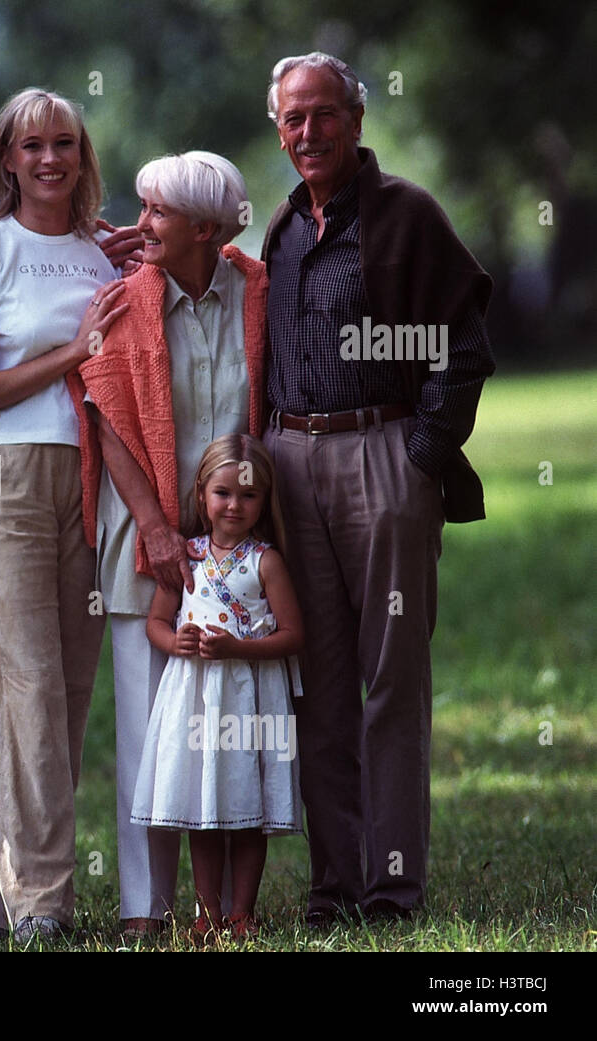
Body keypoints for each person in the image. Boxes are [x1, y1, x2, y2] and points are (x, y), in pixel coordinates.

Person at [261, 52, 494, 926]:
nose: (309, 133)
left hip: (381, 455)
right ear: (277, 130)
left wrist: (418, 455)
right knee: (316, 684)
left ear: (358, 120)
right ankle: (334, 890)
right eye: (293, 120)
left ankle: (392, 889)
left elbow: (462, 351)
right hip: (290, 461)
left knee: (390, 679)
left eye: (324, 115)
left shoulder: (408, 217)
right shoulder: (282, 230)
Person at [68, 151, 270, 937]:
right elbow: (106, 415)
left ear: (204, 228)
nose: (139, 223)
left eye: (154, 212)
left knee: (227, 722)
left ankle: (224, 905)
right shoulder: (127, 302)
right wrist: (155, 525)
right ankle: (143, 906)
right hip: (146, 538)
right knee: (150, 729)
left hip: (237, 548)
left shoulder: (257, 293)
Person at [0, 87, 126, 942]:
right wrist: (73, 353)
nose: (50, 158)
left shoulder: (105, 257)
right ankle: (46, 904)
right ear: (6, 161)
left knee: (72, 692)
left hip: (96, 479)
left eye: (65, 143)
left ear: (81, 157)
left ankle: (5, 896)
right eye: (31, 146)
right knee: (30, 686)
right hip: (9, 474)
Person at [130, 434, 304, 944]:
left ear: (264, 500)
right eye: (223, 493)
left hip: (250, 698)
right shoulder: (186, 557)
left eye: (248, 495)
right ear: (202, 493)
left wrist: (239, 649)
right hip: (197, 697)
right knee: (204, 811)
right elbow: (156, 622)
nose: (234, 505)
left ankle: (242, 912)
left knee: (246, 806)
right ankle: (206, 913)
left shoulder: (265, 561)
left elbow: (294, 635)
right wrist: (176, 641)